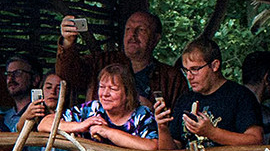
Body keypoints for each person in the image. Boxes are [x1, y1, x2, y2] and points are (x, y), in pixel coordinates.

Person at [57, 10, 186, 107]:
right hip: (98, 139)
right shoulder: (102, 62)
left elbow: (179, 123)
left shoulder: (171, 78)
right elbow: (68, 75)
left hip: (147, 141)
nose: (132, 35)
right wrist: (67, 43)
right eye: (128, 29)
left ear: (156, 39)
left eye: (141, 30)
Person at [0, 56, 39, 132]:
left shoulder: (39, 112)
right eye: (8, 74)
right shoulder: (4, 116)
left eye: (18, 73)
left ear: (35, 79)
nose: (11, 78)